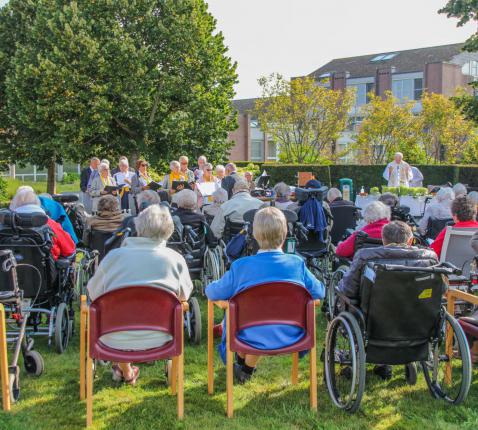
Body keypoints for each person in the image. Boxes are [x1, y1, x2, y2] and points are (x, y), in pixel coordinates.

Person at [206, 207, 324, 383]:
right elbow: (319, 291)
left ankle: (242, 366)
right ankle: (244, 368)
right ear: (285, 233)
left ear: (256, 234)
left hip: (247, 334)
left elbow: (212, 292)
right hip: (291, 334)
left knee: (235, 316)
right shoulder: (297, 264)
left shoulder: (241, 266)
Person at [87, 205, 193, 385]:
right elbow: (184, 296)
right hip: (162, 336)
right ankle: (126, 371)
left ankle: (126, 371)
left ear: (138, 227)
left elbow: (94, 293)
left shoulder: (114, 257)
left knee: (120, 314)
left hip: (112, 337)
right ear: (168, 231)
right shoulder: (174, 259)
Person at [337, 220, 438, 380]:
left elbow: (348, 290)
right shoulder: (429, 258)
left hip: (375, 321)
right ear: (410, 240)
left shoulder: (366, 256)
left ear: (383, 240)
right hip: (416, 322)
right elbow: (440, 290)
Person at [9, 187, 75, 260]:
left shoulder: (6, 224)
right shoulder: (49, 223)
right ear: (37, 203)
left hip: (9, 267)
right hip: (46, 268)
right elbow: (69, 249)